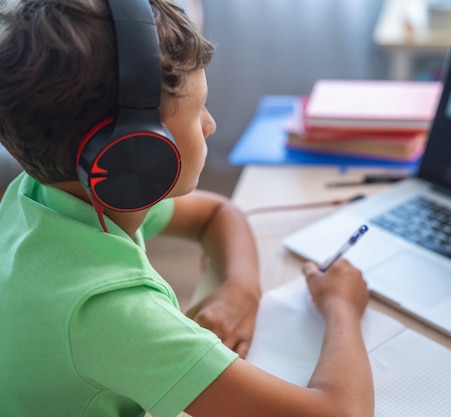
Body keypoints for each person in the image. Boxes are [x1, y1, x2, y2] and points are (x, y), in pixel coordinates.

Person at [0, 1, 374, 417]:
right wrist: (342, 306)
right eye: (198, 111)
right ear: (134, 152)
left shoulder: (40, 192)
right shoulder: (108, 312)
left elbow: (218, 214)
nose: (211, 125)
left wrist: (242, 289)